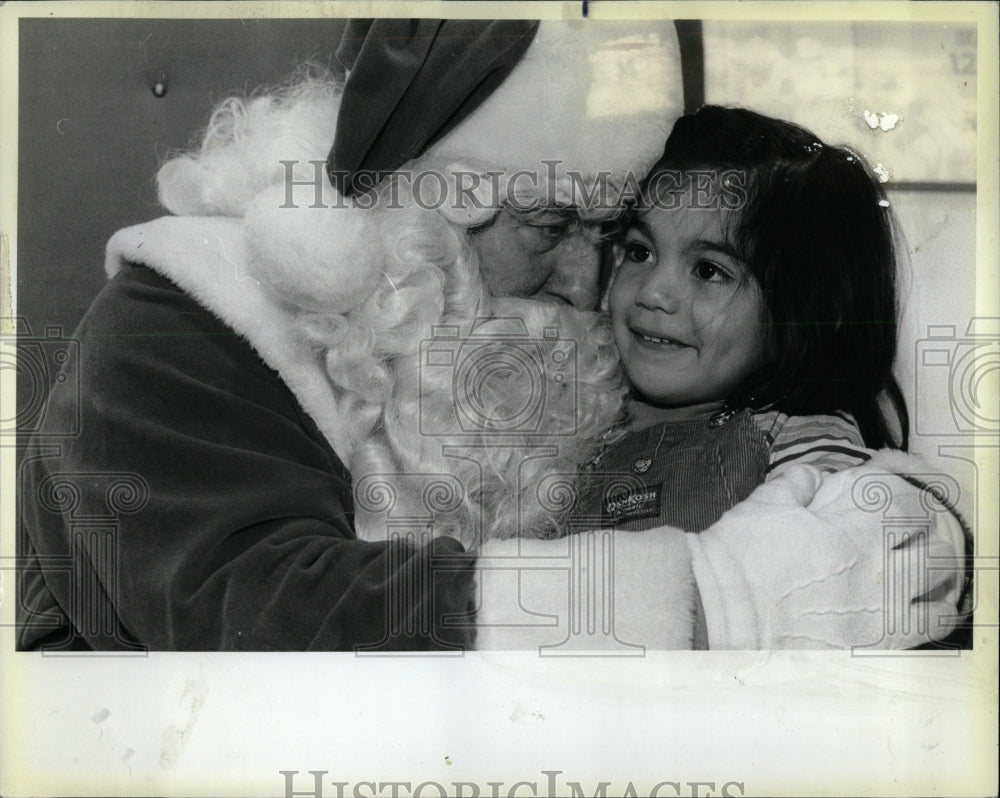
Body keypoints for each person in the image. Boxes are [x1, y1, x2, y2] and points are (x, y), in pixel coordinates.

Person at [17, 19, 966, 652]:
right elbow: (256, 607)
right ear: (417, 205)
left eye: (610, 238)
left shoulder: (535, 341)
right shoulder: (181, 320)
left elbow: (816, 471)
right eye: (551, 229)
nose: (591, 288)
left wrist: (908, 525)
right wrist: (702, 601)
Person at [572, 105, 917, 534]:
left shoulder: (797, 436)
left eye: (708, 271)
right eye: (641, 252)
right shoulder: (586, 414)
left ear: (800, 308)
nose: (652, 293)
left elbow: (849, 558)